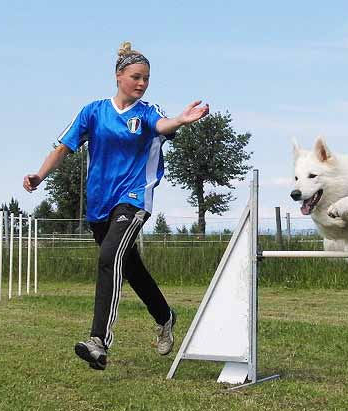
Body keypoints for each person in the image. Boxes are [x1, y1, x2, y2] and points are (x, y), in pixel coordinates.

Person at [23, 42, 209, 370]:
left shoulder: (147, 111)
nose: (142, 83)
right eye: (136, 77)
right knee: (131, 268)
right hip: (99, 205)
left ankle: (99, 340)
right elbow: (62, 148)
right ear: (118, 76)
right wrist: (39, 175)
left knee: (109, 258)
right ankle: (165, 317)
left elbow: (162, 126)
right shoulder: (92, 112)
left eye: (147, 78)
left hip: (134, 198)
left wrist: (179, 120)